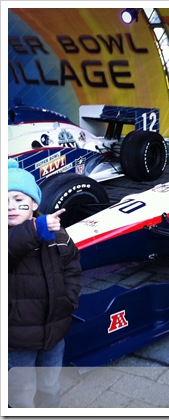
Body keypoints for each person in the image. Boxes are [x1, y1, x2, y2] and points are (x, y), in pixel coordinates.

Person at [8, 159, 82, 408]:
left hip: (54, 329)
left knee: (49, 385)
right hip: (15, 337)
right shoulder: (33, 230)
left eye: (19, 200)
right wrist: (36, 229)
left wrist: (69, 299)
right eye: (3, 201)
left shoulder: (56, 234)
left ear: (34, 203)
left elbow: (72, 265)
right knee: (21, 392)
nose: (11, 207)